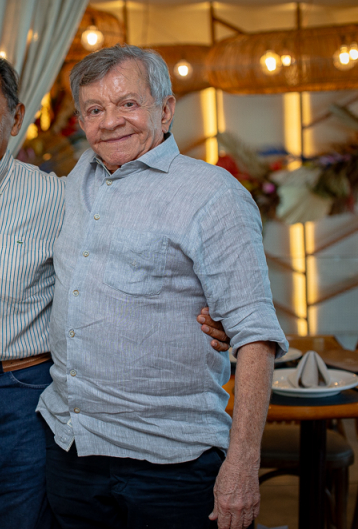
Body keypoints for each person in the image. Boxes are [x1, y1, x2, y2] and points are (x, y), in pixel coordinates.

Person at [0, 49, 230, 529]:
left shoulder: (60, 195)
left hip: (24, 395)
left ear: (15, 117)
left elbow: (122, 250)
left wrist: (204, 309)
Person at [36, 44, 287, 529]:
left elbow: (255, 336)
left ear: (165, 109)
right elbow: (0, 189)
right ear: (82, 122)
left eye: (128, 104)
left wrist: (242, 464)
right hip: (70, 449)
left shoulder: (212, 195)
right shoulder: (71, 183)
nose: (110, 122)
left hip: (171, 463)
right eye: (94, 109)